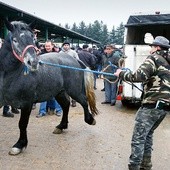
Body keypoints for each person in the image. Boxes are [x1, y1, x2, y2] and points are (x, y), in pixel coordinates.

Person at [114, 36, 170, 170]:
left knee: (138, 139)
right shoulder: (167, 61)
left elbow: (138, 76)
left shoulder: (154, 58)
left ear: (157, 48)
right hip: (164, 107)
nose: (150, 49)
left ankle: (134, 167)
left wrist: (120, 74)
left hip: (151, 105)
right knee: (148, 135)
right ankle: (146, 164)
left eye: (152, 46)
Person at [36, 40, 62, 118]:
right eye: (46, 46)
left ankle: (58, 110)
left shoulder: (57, 55)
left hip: (55, 77)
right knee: (43, 94)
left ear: (52, 46)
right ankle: (42, 111)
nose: (47, 47)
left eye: (49, 46)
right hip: (44, 78)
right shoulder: (41, 54)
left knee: (57, 94)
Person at [59, 40, 79, 107]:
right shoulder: (60, 53)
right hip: (64, 72)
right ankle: (67, 100)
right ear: (63, 46)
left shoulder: (73, 52)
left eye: (67, 45)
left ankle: (74, 100)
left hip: (72, 72)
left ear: (69, 46)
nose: (66, 46)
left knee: (73, 87)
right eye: (65, 45)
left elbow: (78, 60)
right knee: (65, 87)